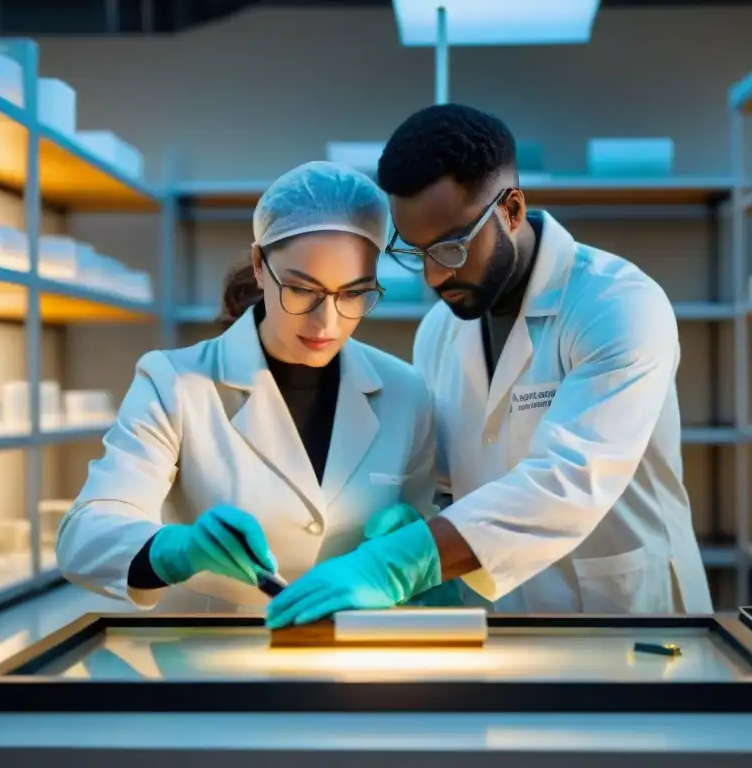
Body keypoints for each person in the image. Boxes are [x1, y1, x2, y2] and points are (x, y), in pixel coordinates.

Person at [266, 105, 712, 628]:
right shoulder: (439, 330)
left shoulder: (617, 305)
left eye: (452, 248)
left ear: (513, 210)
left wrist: (403, 562)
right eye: (416, 252)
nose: (433, 276)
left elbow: (568, 481)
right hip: (502, 620)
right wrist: (413, 517)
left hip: (630, 612)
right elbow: (452, 478)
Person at [55, 160, 439, 614]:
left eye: (354, 293)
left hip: (357, 660)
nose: (328, 322)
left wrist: (420, 547)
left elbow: (431, 548)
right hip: (216, 665)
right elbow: (83, 535)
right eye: (302, 290)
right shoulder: (175, 383)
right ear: (260, 265)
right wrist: (174, 551)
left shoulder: (405, 391)